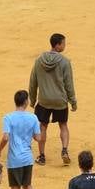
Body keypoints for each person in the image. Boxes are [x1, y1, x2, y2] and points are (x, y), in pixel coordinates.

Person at [0, 90, 49, 189]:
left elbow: (6, 137)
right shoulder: (33, 118)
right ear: (26, 102)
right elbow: (38, 138)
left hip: (15, 159)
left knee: (15, 188)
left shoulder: (8, 118)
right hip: (28, 158)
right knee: (28, 186)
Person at [29, 33, 77, 166]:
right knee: (63, 125)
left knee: (43, 126)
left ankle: (42, 156)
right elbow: (69, 84)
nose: (64, 45)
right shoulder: (65, 62)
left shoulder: (39, 60)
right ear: (57, 45)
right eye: (63, 43)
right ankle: (65, 150)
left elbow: (33, 82)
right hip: (60, 100)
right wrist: (73, 101)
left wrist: (32, 100)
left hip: (44, 100)